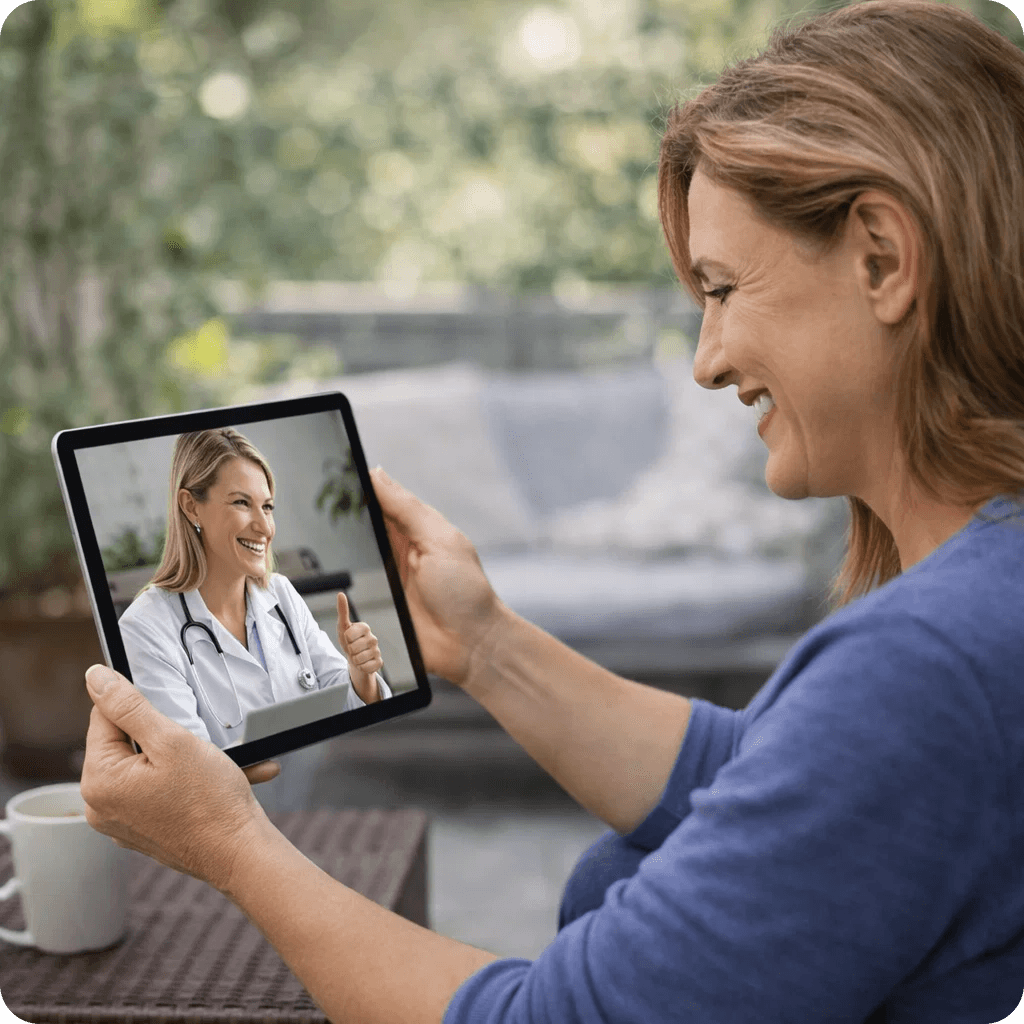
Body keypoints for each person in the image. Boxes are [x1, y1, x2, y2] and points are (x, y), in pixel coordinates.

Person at [78, 1, 1024, 1021]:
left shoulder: (926, 664)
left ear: (881, 257)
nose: (707, 362)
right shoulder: (980, 602)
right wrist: (485, 645)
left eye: (720, 289)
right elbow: (776, 778)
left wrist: (229, 843)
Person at [118, 428, 391, 750]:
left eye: (268, 507)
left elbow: (349, 706)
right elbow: (187, 765)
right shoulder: (145, 628)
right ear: (191, 507)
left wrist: (360, 673)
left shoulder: (281, 595)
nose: (264, 527)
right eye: (241, 503)